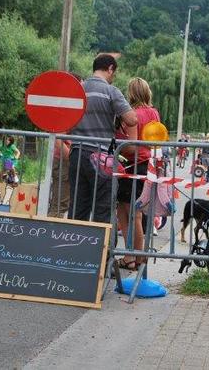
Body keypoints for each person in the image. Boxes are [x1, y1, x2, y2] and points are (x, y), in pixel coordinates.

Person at [69, 54, 137, 223]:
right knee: (103, 207)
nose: (113, 77)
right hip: (100, 155)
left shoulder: (79, 88)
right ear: (110, 69)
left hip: (77, 153)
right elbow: (132, 119)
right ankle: (102, 248)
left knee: (78, 205)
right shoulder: (111, 91)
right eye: (114, 73)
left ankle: (72, 245)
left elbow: (67, 122)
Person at [115, 77, 161, 270]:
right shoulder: (154, 113)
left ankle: (131, 257)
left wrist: (116, 147)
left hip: (131, 165)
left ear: (131, 93)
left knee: (126, 213)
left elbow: (130, 145)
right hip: (147, 164)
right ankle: (137, 256)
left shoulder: (132, 114)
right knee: (137, 213)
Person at [48, 139, 71, 218]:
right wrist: (71, 156)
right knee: (59, 205)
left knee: (62, 204)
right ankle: (52, 228)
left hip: (66, 159)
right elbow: (57, 138)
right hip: (64, 160)